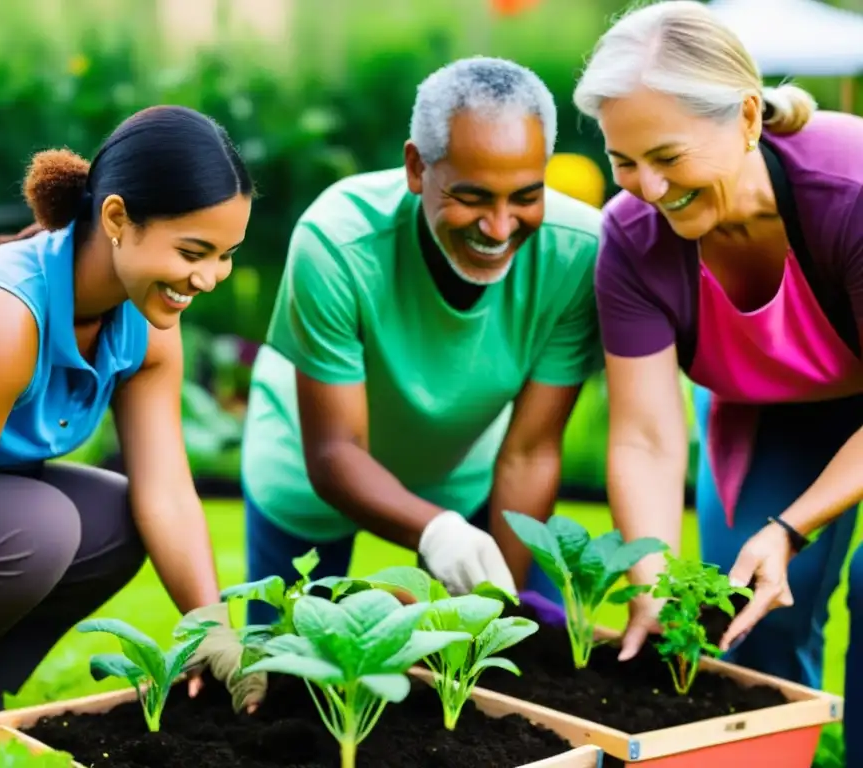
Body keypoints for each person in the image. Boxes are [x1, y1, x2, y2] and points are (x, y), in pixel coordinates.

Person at [0, 105, 258, 753]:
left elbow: (167, 495)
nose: (207, 279)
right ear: (117, 219)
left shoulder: (145, 328)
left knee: (116, 522)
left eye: (226, 256)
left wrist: (213, 631)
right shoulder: (2, 317)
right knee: (42, 528)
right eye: (192, 252)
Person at [572, 1, 863, 761]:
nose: (647, 185)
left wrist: (791, 528)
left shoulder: (852, 192)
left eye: (667, 155)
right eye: (622, 160)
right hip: (776, 412)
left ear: (743, 118)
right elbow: (643, 436)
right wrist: (650, 575)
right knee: (748, 619)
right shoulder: (632, 241)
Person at [238, 56, 604, 626]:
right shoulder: (337, 242)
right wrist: (434, 531)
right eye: (474, 197)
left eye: (525, 196)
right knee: (289, 670)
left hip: (465, 470)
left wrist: (492, 620)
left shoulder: (575, 252)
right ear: (416, 167)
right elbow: (336, 452)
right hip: (310, 471)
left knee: (529, 648)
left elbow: (531, 452)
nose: (501, 227)